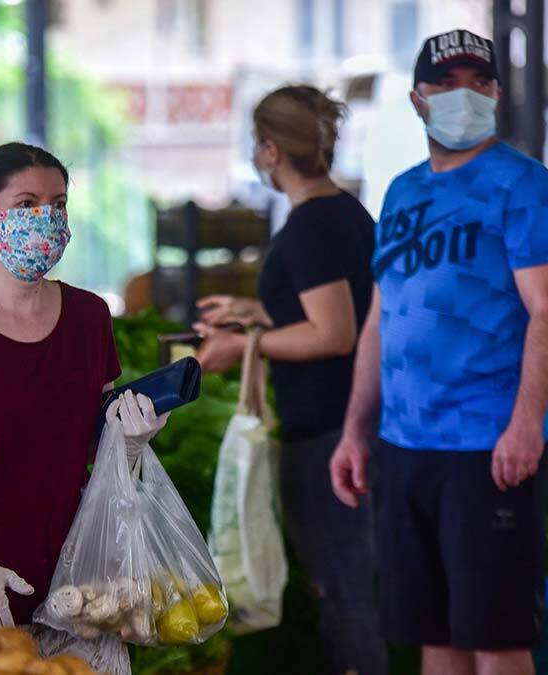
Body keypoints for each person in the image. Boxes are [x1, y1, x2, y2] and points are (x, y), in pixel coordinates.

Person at [329, 29, 548, 675]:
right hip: (406, 445)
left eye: (479, 83)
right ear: (417, 100)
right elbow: (380, 321)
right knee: (432, 631)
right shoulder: (402, 193)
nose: (463, 96)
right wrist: (357, 430)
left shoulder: (526, 188)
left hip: (487, 445)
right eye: (446, 84)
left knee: (495, 636)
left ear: (496, 94)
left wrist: (525, 421)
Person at [0, 142, 169, 674]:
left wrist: (127, 441)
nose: (47, 219)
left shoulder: (90, 317)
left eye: (58, 204)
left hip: (80, 591)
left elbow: (89, 441)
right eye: (25, 206)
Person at [193, 85, 384, 675]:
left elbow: (334, 333)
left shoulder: (311, 227)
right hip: (352, 422)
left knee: (345, 591)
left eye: (257, 144)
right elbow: (338, 312)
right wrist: (258, 316)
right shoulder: (346, 212)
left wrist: (239, 345)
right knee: (352, 586)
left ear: (271, 150)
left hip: (329, 431)